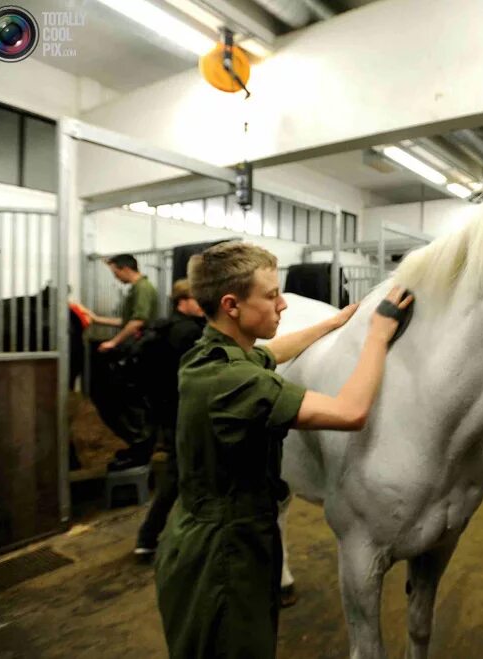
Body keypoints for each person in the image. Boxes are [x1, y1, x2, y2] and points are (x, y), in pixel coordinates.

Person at [154, 242, 413, 659]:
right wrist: (376, 337)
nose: (283, 305)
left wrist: (337, 323)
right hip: (224, 556)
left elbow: (272, 352)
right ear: (231, 305)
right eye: (271, 296)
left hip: (218, 537)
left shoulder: (210, 356)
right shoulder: (235, 382)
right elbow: (350, 411)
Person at [134, 279, 206, 560]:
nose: (201, 304)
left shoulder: (161, 327)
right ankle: (149, 536)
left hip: (165, 412)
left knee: (181, 475)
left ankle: (151, 537)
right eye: (196, 299)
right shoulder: (189, 333)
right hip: (186, 414)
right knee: (180, 476)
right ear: (182, 302)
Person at [86, 254, 160, 469]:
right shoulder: (138, 289)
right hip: (134, 347)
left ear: (125, 268)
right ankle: (138, 445)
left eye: (115, 272)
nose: (115, 277)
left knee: (130, 400)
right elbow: (128, 320)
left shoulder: (142, 289)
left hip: (137, 350)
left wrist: (113, 342)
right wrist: (98, 319)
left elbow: (138, 322)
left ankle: (141, 444)